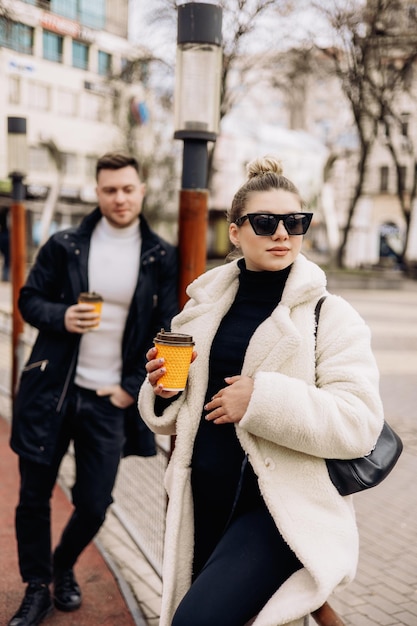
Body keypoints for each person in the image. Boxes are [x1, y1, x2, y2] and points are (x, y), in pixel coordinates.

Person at [138, 156, 384, 626]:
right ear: (234, 232)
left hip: (277, 510)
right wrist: (164, 390)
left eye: (295, 222)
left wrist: (262, 401)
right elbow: (177, 414)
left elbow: (359, 424)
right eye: (265, 222)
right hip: (202, 500)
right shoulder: (202, 308)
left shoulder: (330, 316)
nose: (282, 234)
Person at [8, 152, 179, 626]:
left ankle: (63, 564)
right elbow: (27, 299)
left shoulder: (161, 255)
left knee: (95, 502)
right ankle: (38, 587)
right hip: (53, 390)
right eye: (109, 189)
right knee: (32, 498)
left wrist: (131, 388)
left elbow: (170, 329)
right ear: (97, 192)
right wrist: (61, 316)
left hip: (109, 400)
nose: (119, 197)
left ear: (141, 190)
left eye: (127, 188)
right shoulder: (65, 246)